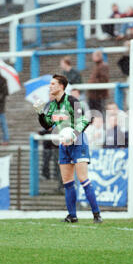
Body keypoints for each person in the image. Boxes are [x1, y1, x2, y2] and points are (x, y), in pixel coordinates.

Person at [33, 74, 102, 224]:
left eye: (53, 84)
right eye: (50, 84)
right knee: (68, 182)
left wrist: (73, 134)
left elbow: (84, 120)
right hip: (64, 144)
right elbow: (47, 125)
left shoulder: (72, 101)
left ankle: (96, 214)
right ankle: (72, 215)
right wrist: (40, 113)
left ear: (61, 86)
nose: (50, 86)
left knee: (83, 179)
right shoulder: (51, 105)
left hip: (78, 142)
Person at [87, 50, 110, 115]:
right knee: (93, 114)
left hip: (99, 95)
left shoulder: (103, 66)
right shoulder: (96, 66)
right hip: (93, 95)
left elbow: (104, 80)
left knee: (99, 113)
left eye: (93, 56)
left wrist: (92, 83)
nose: (92, 57)